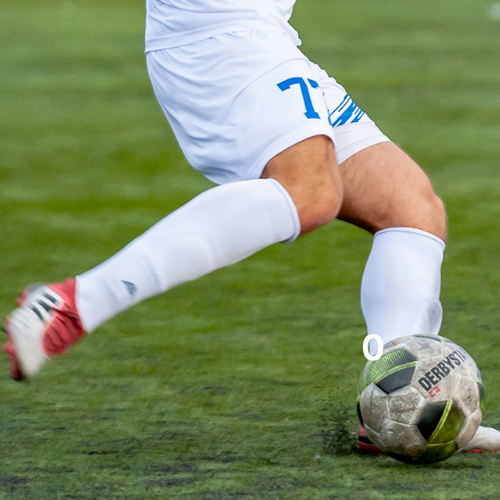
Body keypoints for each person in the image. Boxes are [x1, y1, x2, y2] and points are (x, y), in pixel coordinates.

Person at [4, 0, 499, 453]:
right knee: (309, 193)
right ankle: (74, 303)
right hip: (218, 34)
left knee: (411, 209)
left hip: (264, 36)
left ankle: (395, 409)